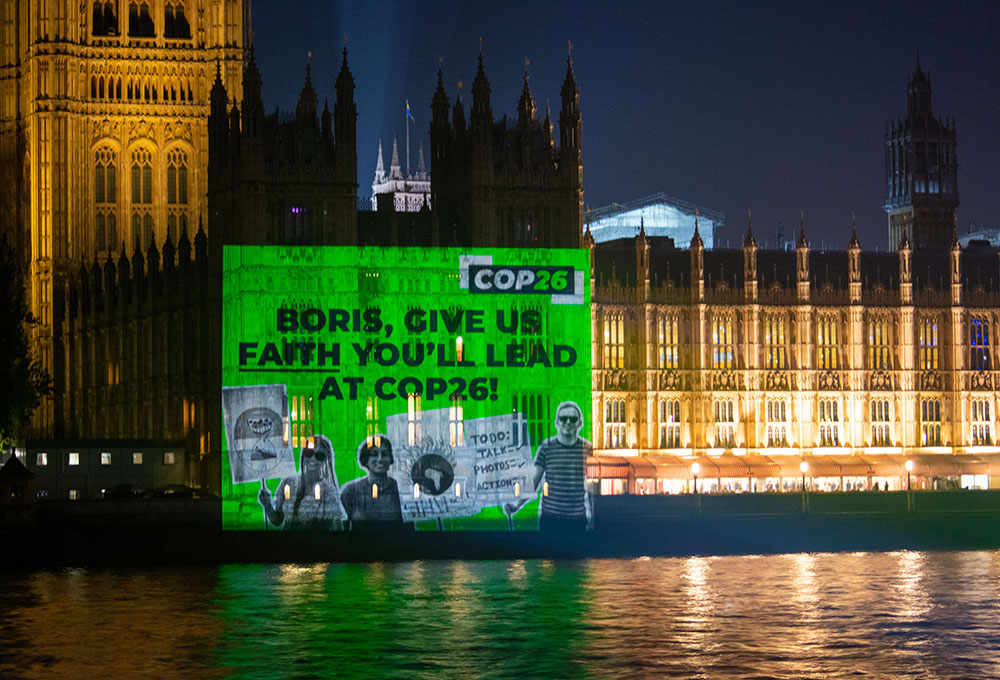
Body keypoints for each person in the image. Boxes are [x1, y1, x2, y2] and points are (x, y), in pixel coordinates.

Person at [258, 434, 345, 530]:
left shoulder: (328, 490)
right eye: (309, 453)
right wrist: (267, 505)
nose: (313, 458)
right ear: (303, 455)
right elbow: (277, 520)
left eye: (319, 456)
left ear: (325, 461)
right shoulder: (288, 483)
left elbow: (329, 526)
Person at [532, 401, 593, 531]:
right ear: (557, 422)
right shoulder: (546, 447)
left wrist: (595, 518)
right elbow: (533, 481)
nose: (568, 422)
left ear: (579, 423)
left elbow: (594, 489)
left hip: (577, 520)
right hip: (550, 519)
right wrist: (515, 505)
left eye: (573, 419)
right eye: (563, 418)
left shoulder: (587, 449)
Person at [339, 435, 404, 529]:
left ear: (391, 459)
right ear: (366, 460)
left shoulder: (399, 488)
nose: (380, 459)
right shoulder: (350, 492)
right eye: (374, 454)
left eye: (385, 454)